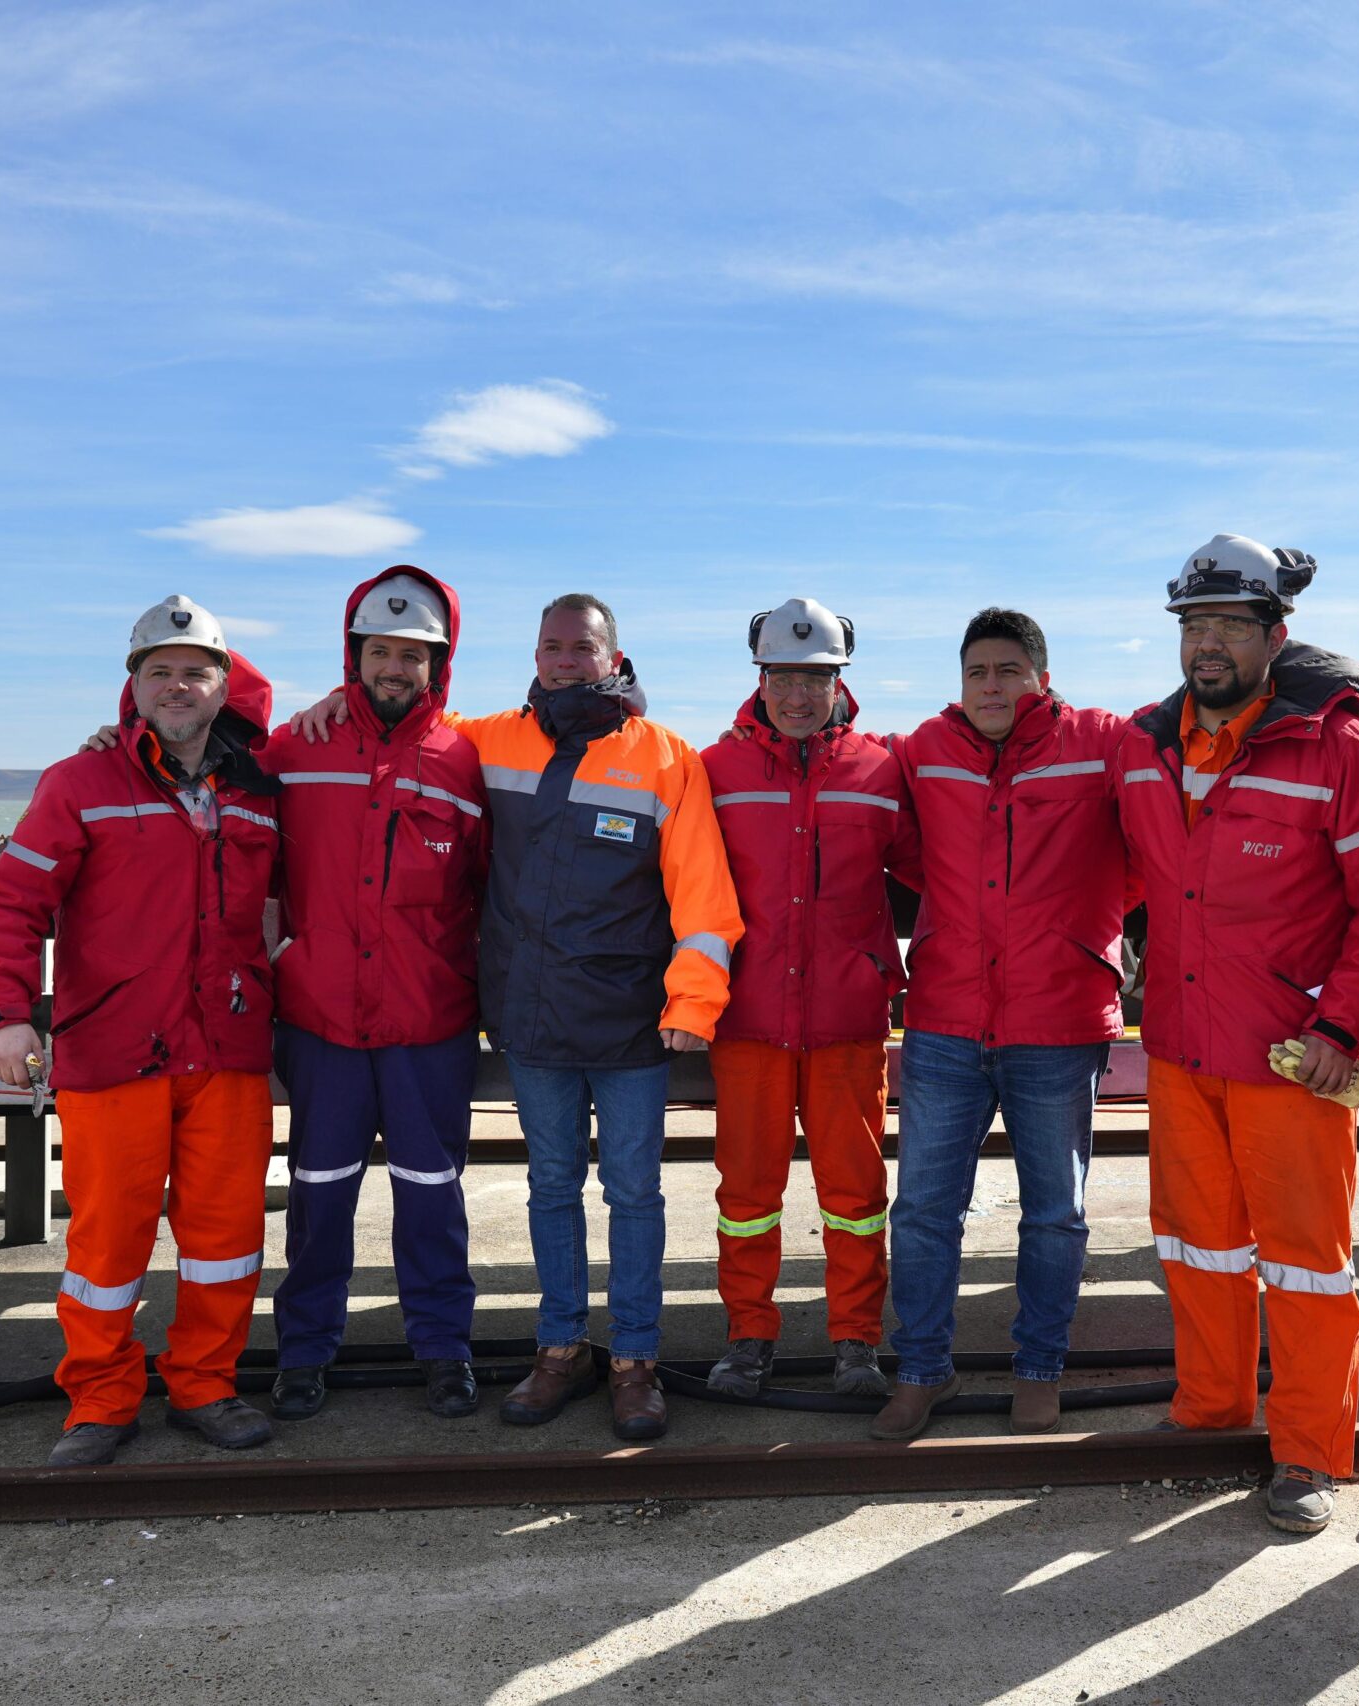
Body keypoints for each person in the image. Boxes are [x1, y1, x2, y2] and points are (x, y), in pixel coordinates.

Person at [293, 593, 742, 1441]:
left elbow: (704, 898)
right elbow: (406, 724)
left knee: (634, 1194)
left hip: (632, 1026)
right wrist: (337, 701)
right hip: (531, 1023)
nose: (566, 661)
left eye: (582, 648)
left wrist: (693, 1001)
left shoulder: (665, 758)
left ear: (614, 658)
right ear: (534, 657)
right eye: (552, 647)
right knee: (551, 1188)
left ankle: (635, 1361)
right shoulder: (487, 741)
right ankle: (560, 1349)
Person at [1119, 535, 1359, 1535]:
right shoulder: (1145, 746)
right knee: (1197, 1246)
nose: (1209, 644)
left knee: (1307, 1263)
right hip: (1181, 1047)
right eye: (1195, 624)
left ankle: (1310, 1450)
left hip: (1293, 1057)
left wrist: (1342, 1026)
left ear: (1276, 636)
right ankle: (1210, 1410)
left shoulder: (1341, 749)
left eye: (1232, 625)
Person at [0, 596, 282, 1467]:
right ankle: (102, 1398)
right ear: (133, 686)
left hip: (227, 1051)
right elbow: (10, 903)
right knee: (107, 1243)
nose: (178, 687)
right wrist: (6, 1015)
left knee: (225, 1240)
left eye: (197, 672)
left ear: (225, 686)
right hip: (115, 1051)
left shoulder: (260, 792)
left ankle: (206, 1384)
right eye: (160, 672)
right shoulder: (81, 782)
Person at [871, 607, 1163, 1440]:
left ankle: (1040, 1369)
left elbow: (1148, 846)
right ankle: (922, 1371)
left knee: (1055, 1212)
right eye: (977, 673)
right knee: (922, 1209)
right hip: (946, 1020)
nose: (991, 686)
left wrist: (1083, 923)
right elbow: (898, 843)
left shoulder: (1101, 742)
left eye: (1008, 671)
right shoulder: (925, 750)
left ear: (1042, 677)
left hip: (1058, 1021)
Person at [260, 568, 490, 1424]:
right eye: (380, 651)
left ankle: (444, 1347)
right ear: (353, 656)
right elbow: (200, 755)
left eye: (413, 655)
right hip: (320, 1017)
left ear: (439, 664)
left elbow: (492, 884)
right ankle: (305, 1350)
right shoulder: (295, 748)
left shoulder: (467, 760)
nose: (395, 668)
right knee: (319, 1193)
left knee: (432, 1194)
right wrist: (124, 727)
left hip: (428, 1020)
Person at [698, 598, 920, 1403]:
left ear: (840, 682)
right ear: (760, 678)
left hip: (847, 1024)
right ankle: (748, 1338)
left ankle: (856, 1341)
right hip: (748, 1021)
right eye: (783, 678)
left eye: (815, 679)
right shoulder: (714, 771)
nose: (798, 696)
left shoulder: (882, 771)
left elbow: (936, 872)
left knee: (856, 1197)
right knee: (747, 1197)